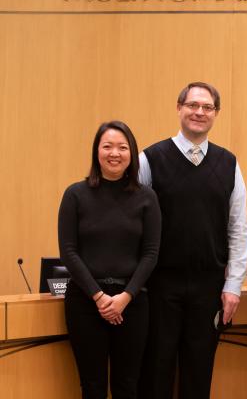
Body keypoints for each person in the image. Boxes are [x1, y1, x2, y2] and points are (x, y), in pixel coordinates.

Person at [138, 81, 247, 399]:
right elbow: (133, 221)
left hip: (209, 287)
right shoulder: (150, 159)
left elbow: (239, 229)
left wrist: (233, 287)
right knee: (156, 369)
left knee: (199, 372)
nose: (199, 112)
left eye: (207, 107)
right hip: (160, 285)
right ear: (179, 108)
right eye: (192, 105)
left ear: (216, 114)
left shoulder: (228, 163)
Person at [58, 120, 161, 399]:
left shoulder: (147, 197)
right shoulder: (75, 195)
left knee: (128, 385)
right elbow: (68, 250)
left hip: (133, 303)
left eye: (122, 147)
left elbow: (151, 253)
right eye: (107, 146)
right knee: (92, 386)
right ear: (96, 152)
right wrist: (99, 297)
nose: (114, 153)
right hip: (85, 302)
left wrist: (125, 297)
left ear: (132, 154)